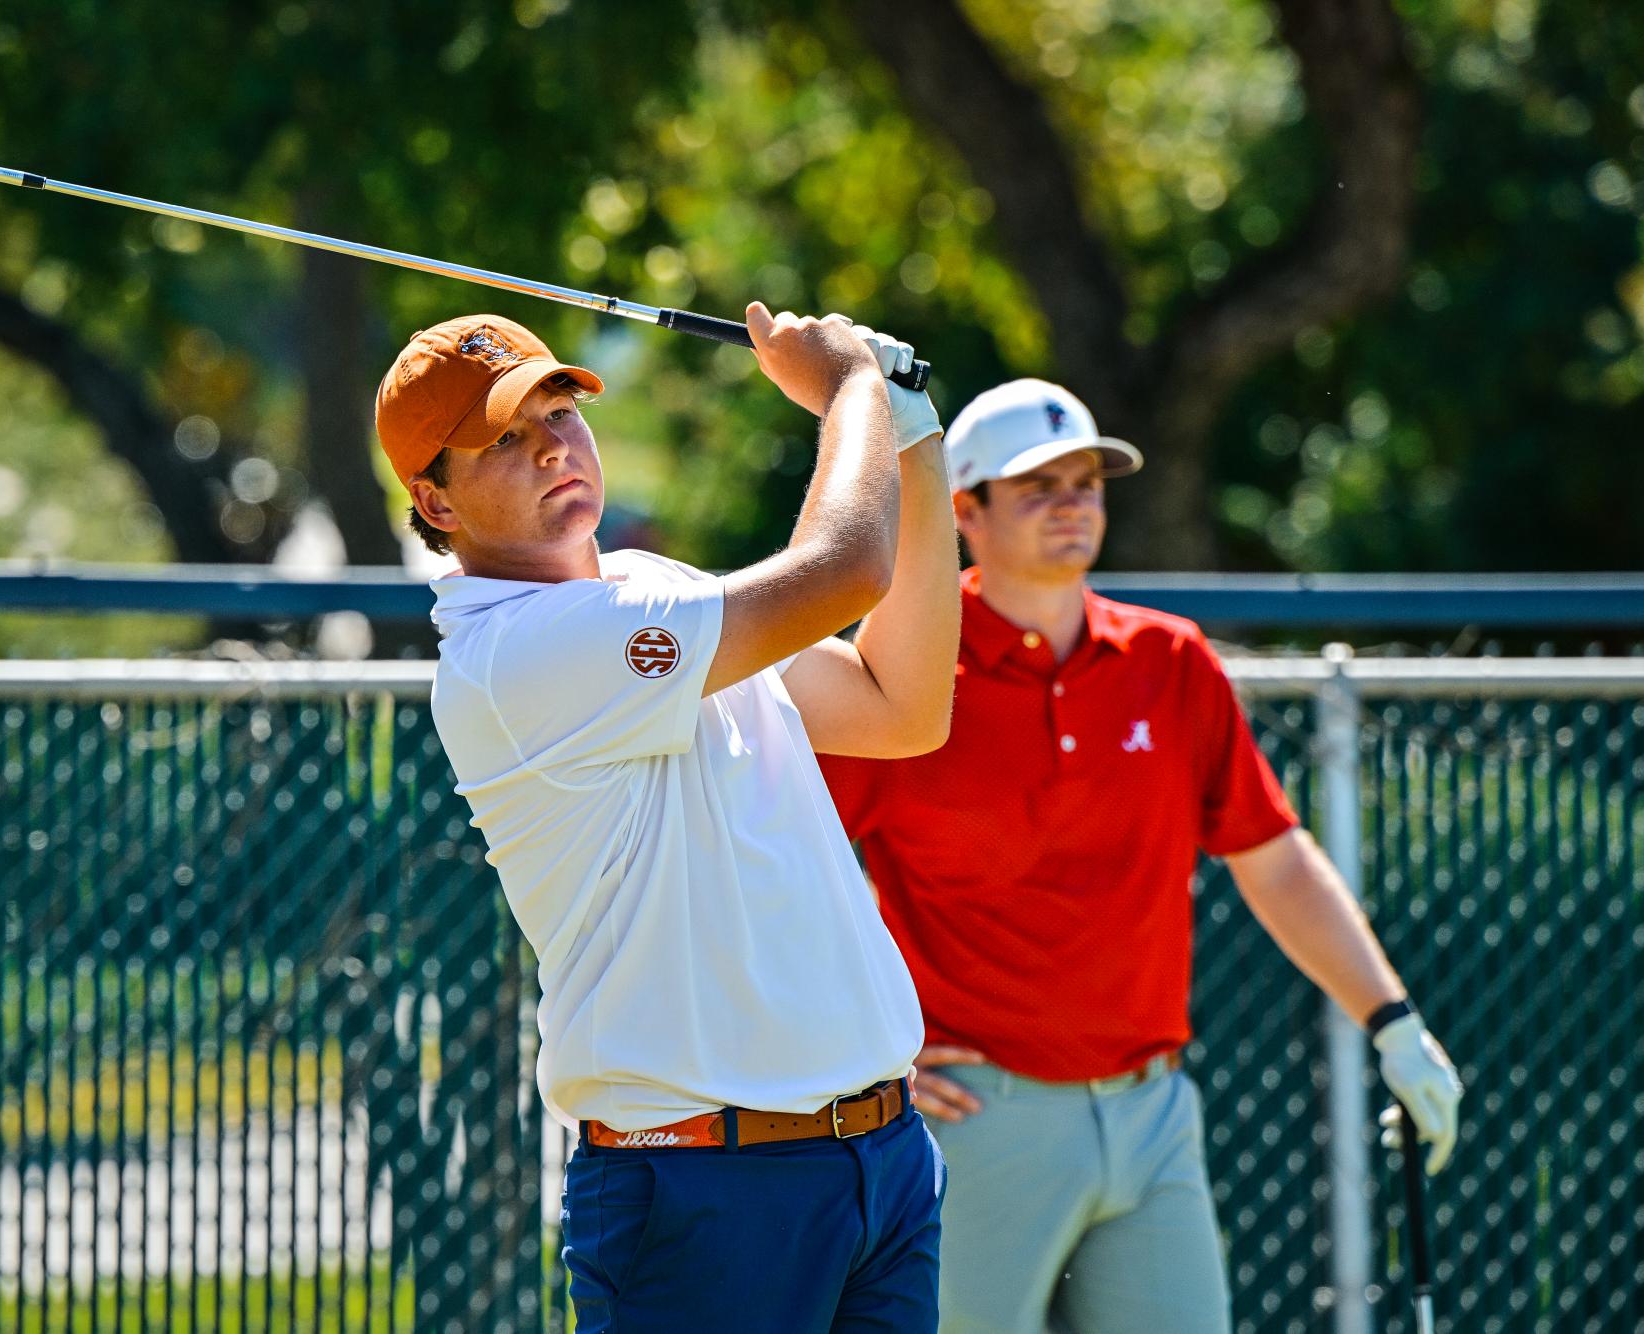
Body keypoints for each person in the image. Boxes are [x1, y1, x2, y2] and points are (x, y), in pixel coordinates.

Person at [816, 378, 1465, 1334]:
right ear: (965, 511)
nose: (1072, 502)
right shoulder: (898, 680)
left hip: (1155, 1115)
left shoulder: (1173, 661)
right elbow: (787, 878)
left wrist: (1393, 1020)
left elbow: (1274, 859)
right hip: (972, 1121)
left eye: (1085, 480)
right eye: (1037, 486)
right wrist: (854, 1057)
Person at [374, 307, 961, 1331]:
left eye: (560, 408)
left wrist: (912, 438)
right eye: (505, 439)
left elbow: (901, 705)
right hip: (701, 1190)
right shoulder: (514, 655)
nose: (556, 442)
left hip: (878, 1159)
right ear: (436, 499)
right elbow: (843, 570)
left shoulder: (655, 589)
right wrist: (853, 386)